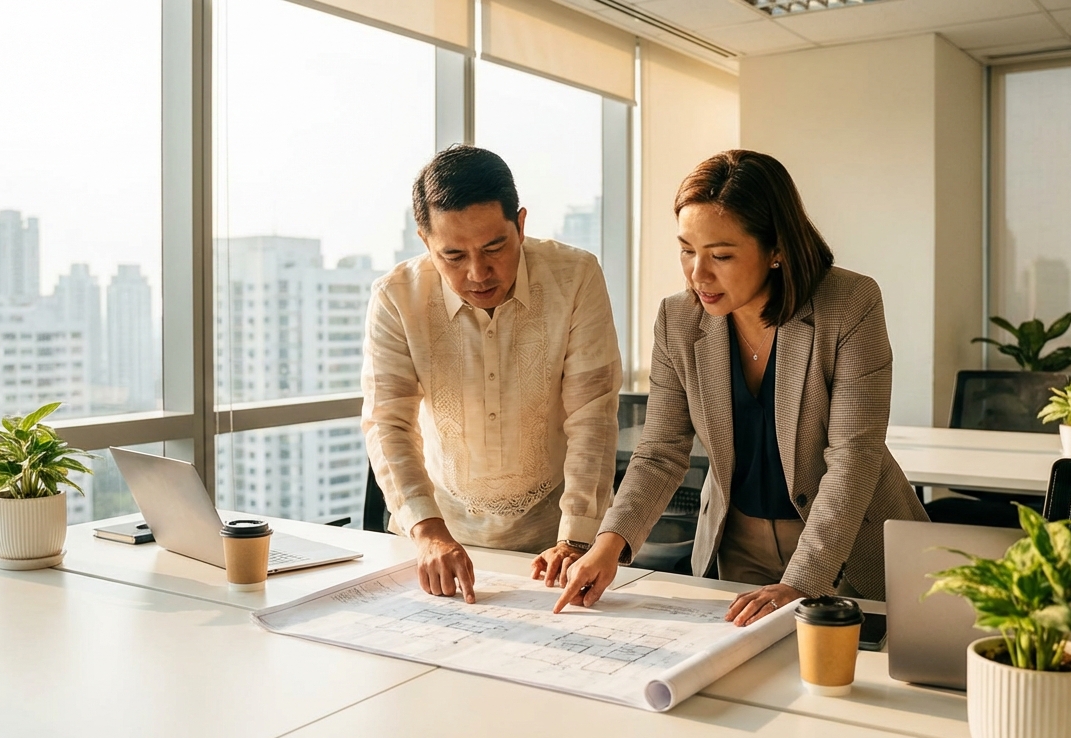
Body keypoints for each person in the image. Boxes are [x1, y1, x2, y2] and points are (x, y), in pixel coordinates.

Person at [553, 150, 927, 623]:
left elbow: (853, 457)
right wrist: (608, 545)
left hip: (847, 546)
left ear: (776, 250)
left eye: (721, 256)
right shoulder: (677, 319)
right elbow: (661, 452)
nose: (697, 274)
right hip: (737, 546)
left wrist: (800, 581)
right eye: (687, 250)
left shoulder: (849, 304)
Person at [362, 145, 622, 603]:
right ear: (425, 241)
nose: (478, 273)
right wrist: (429, 534)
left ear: (520, 225)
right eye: (453, 255)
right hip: (438, 537)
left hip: (559, 535)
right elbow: (389, 424)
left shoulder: (575, 276)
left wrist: (576, 537)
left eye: (494, 248)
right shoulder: (395, 297)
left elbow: (592, 416)